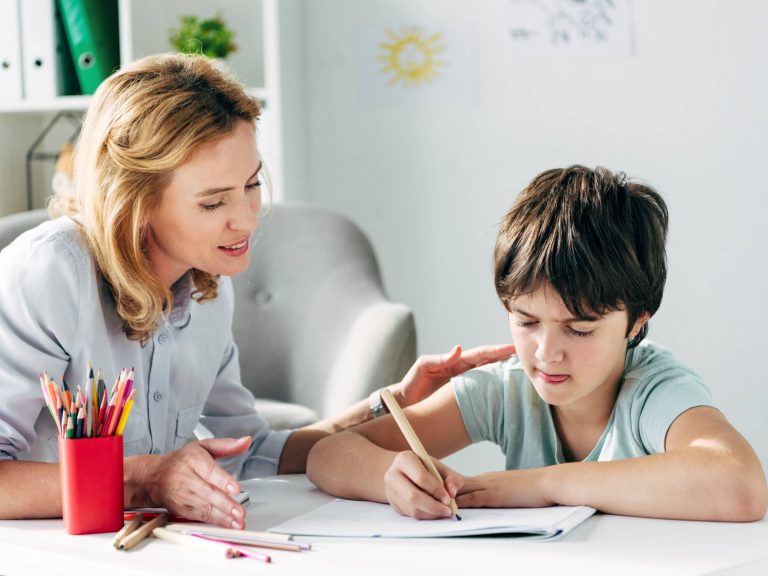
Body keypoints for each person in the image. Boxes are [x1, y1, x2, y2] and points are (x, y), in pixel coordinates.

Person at [0, 53, 515, 528]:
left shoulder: (208, 289)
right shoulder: (51, 273)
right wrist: (146, 478)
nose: (247, 218)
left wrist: (390, 406)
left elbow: (251, 450)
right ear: (136, 202)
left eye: (251, 184)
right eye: (212, 203)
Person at [307, 165, 768, 522]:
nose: (547, 352)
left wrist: (543, 485)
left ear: (636, 322)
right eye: (526, 321)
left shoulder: (653, 389)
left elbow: (739, 483)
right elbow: (328, 455)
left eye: (579, 329)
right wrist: (389, 478)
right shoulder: (506, 388)